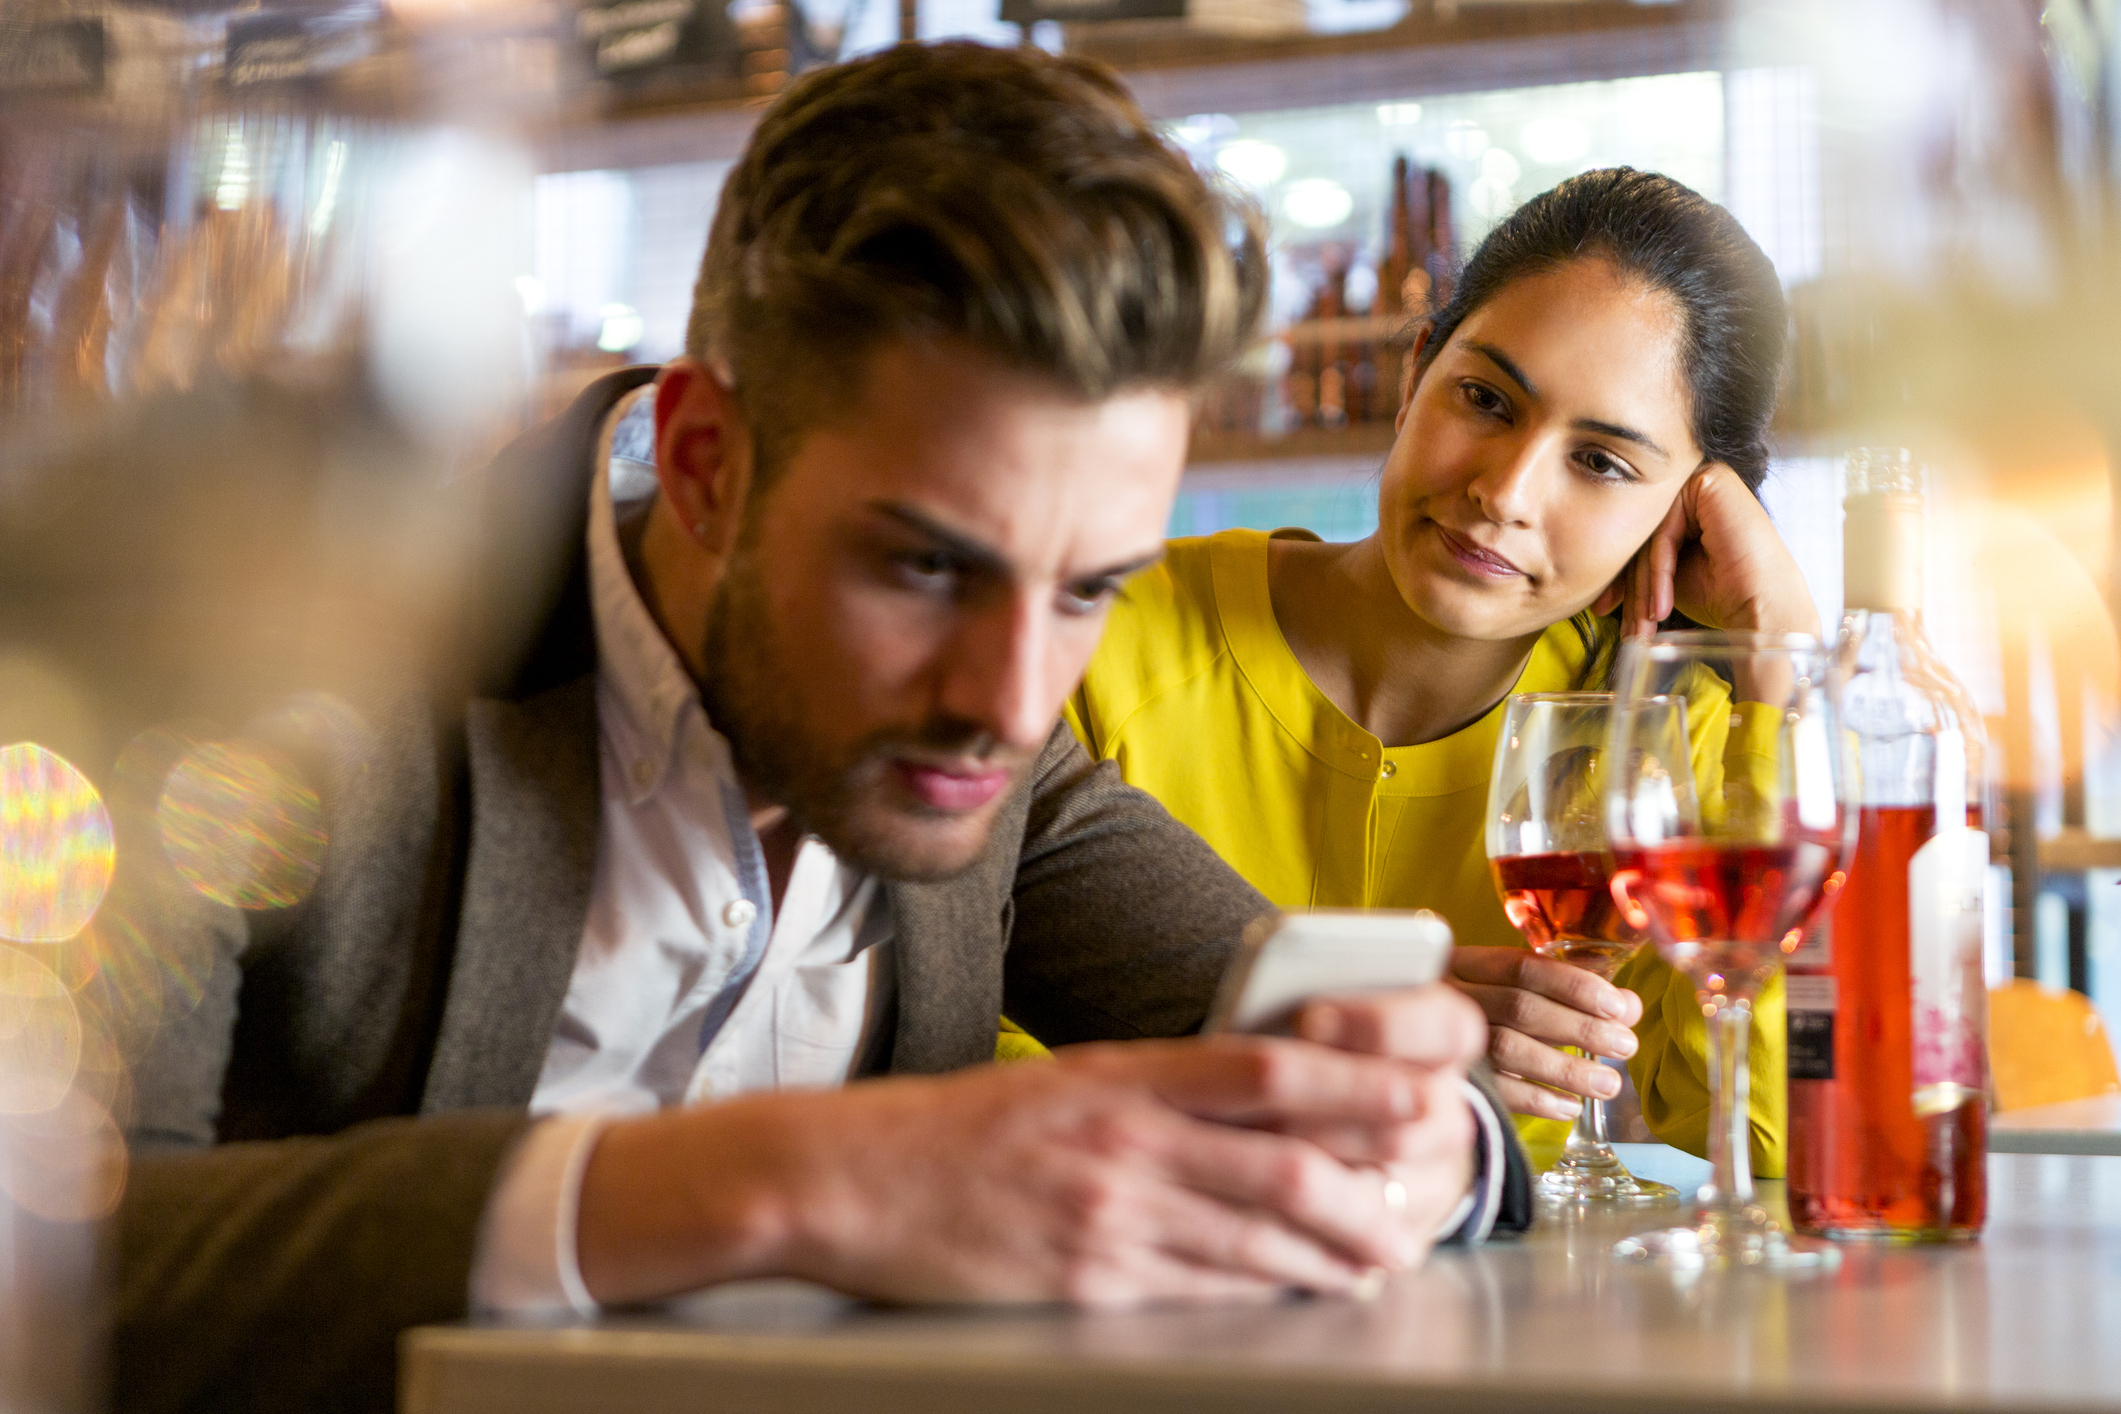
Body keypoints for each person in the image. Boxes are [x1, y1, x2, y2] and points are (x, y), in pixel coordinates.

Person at [109, 42, 1529, 1414]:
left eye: (1089, 587)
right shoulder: (268, 675)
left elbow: (1419, 1102)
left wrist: (1421, 1134)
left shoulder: (992, 752)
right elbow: (67, 1258)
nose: (1014, 694)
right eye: (925, 568)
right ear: (708, 464)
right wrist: (793, 1177)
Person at [1066, 168, 1815, 1171]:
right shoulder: (1103, 635)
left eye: (1600, 463)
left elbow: (1782, 1131)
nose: (1504, 491)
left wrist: (1780, 653)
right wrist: (1331, 1054)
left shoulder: (1668, 742)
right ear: (1417, 370)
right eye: (1487, 399)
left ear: (1682, 514)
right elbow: (966, 1053)